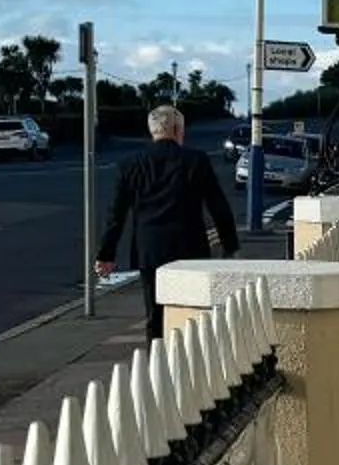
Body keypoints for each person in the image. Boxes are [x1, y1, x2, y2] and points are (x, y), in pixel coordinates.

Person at [96, 105, 238, 340]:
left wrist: (106, 254)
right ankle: (189, 365)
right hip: (190, 249)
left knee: (155, 315)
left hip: (149, 250)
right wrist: (230, 246)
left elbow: (116, 214)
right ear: (177, 129)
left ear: (152, 130)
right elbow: (218, 207)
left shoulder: (130, 164)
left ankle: (157, 366)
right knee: (192, 314)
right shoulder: (196, 161)